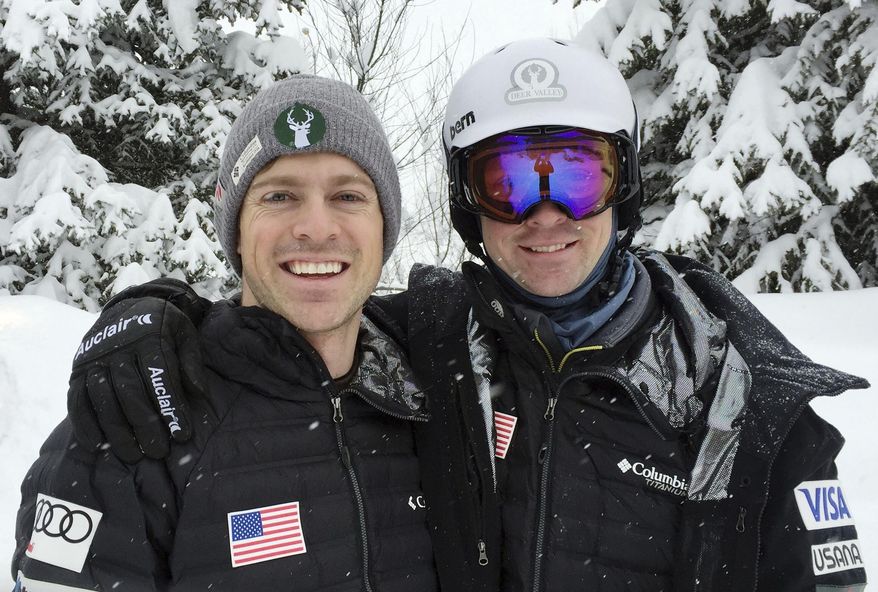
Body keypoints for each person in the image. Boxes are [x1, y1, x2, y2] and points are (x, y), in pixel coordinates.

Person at [48, 39, 869, 591]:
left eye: (576, 176)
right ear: (466, 206)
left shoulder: (741, 402)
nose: (545, 216)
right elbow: (291, 322)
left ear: (626, 190)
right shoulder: (431, 349)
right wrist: (149, 315)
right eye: (508, 183)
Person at [11, 75, 441, 591]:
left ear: (384, 227)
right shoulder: (133, 415)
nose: (317, 227)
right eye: (279, 195)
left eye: (348, 195)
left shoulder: (438, 393)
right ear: (236, 229)